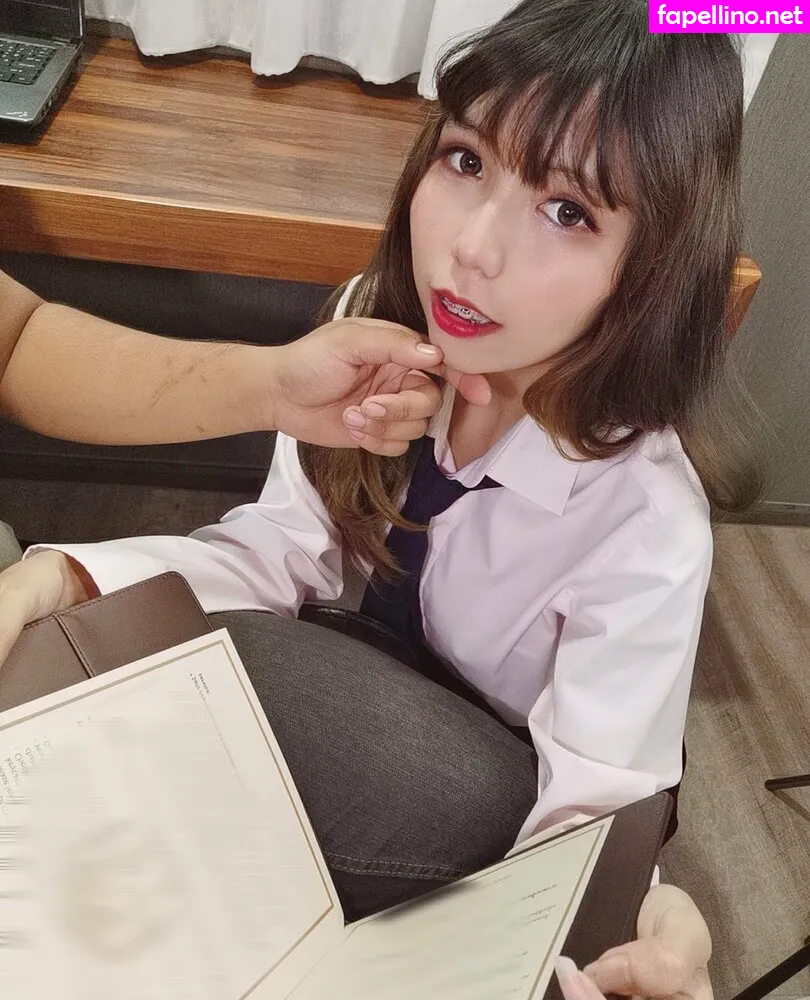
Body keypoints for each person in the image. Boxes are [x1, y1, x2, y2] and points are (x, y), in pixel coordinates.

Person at [0, 0, 760, 993]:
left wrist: (616, 915)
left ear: (651, 266)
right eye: (465, 160)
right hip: (355, 681)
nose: (474, 248)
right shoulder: (381, 325)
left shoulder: (645, 520)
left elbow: (593, 802)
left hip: (488, 781)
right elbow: (277, 552)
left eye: (569, 212)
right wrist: (59, 576)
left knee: (217, 683)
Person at [0, 265, 491, 567]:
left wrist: (274, 388)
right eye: (465, 163)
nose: (475, 250)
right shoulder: (379, 304)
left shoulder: (369, 332)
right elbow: (284, 545)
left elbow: (17, 340)